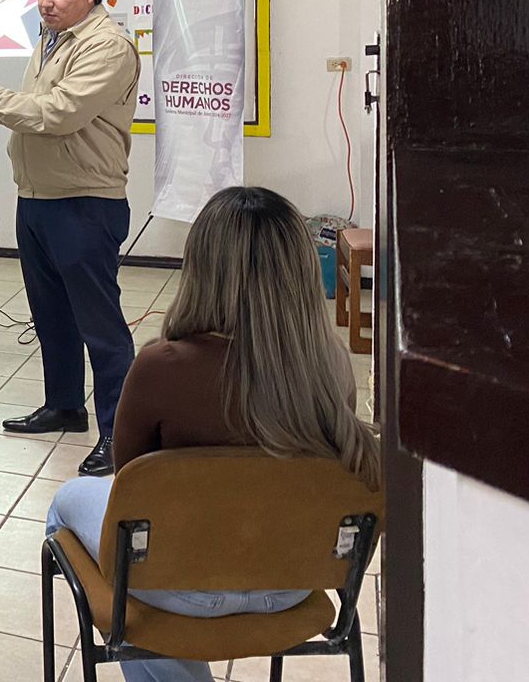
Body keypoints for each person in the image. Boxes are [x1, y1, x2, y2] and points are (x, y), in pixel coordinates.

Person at [45, 186, 381, 682]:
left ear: (201, 267)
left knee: (71, 506)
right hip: (291, 580)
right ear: (300, 271)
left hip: (180, 585)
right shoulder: (330, 367)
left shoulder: (160, 367)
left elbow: (128, 486)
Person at [0, 0, 138, 476]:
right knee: (51, 315)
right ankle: (65, 406)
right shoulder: (52, 38)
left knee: (100, 326)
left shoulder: (107, 46)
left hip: (84, 202)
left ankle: (120, 434)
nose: (46, 3)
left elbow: (59, 113)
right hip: (37, 198)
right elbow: (34, 114)